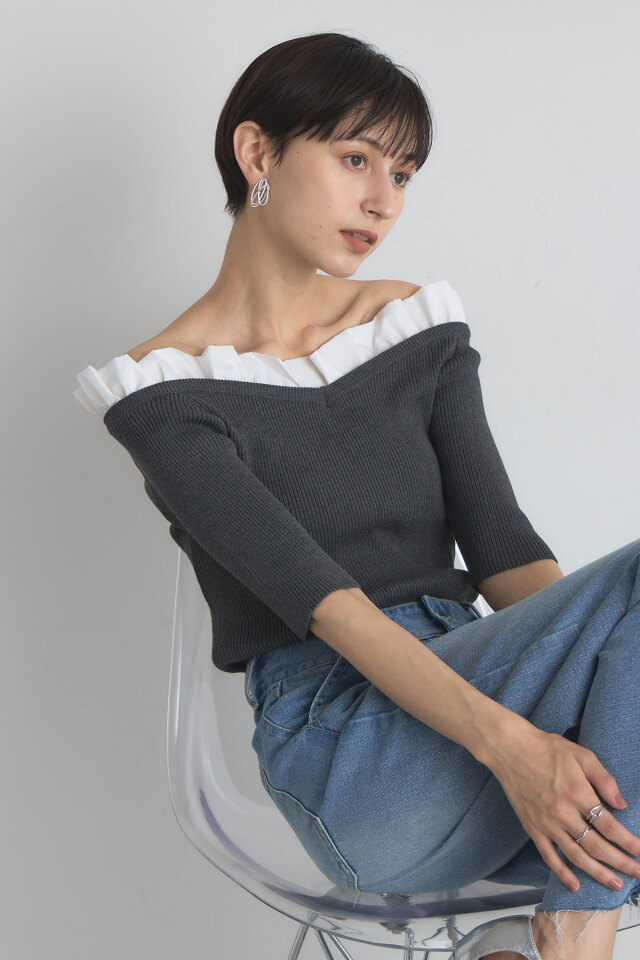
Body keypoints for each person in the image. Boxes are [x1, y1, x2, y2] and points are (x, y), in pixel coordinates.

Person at [73, 32, 640, 960]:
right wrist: (520, 746)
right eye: (355, 159)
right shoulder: (162, 393)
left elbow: (505, 552)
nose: (384, 201)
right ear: (258, 153)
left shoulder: (413, 325)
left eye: (403, 174)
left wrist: (600, 668)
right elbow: (328, 606)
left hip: (482, 696)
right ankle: (581, 928)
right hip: (352, 754)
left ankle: (529, 936)